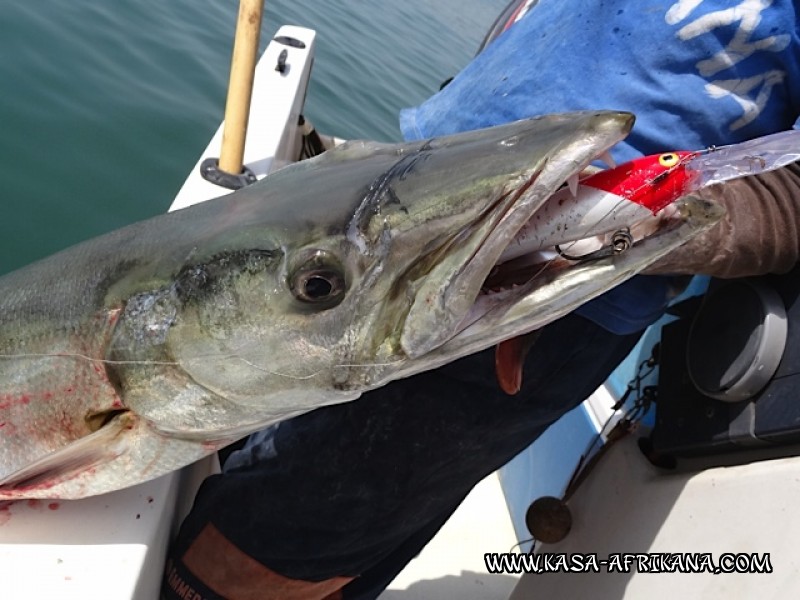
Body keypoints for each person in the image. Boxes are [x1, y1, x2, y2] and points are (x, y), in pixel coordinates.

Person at [162, 2, 800, 598]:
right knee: (267, 456)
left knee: (271, 541)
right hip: (399, 199)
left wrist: (640, 222)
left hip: (544, 299)